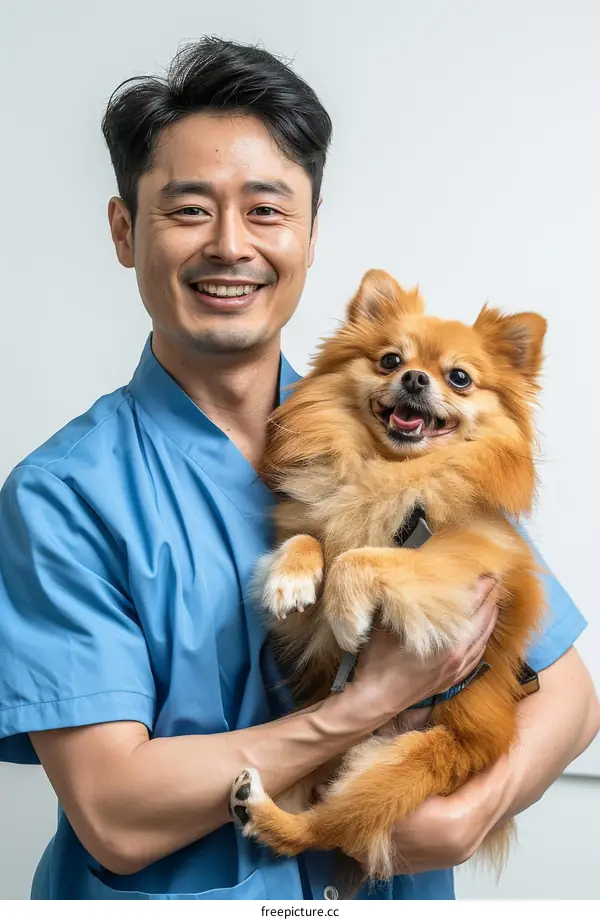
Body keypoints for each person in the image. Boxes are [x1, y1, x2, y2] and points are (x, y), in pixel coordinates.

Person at [0, 37, 597, 902]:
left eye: (268, 209)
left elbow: (571, 691)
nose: (231, 245)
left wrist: (472, 810)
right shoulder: (65, 497)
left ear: (312, 234)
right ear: (126, 231)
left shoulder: (418, 442)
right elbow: (115, 814)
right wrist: (356, 713)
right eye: (189, 209)